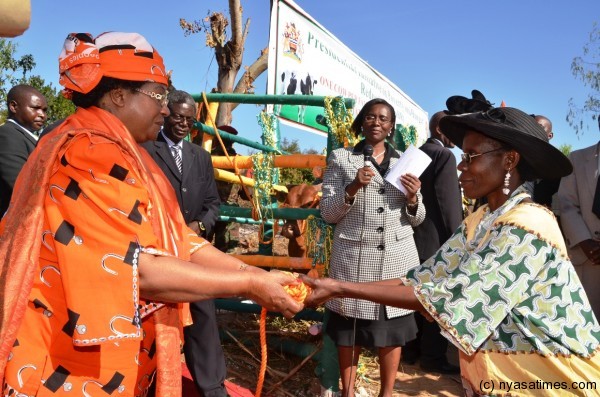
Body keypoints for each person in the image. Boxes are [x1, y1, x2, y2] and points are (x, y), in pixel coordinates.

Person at [0, 31, 302, 397]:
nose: (165, 108)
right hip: (66, 365)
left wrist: (257, 273)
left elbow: (180, 240)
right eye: (157, 95)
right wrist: (251, 286)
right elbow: (137, 268)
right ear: (118, 95)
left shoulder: (124, 151)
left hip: (108, 352)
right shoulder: (88, 153)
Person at [304, 106, 600, 396]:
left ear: (509, 160)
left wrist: (339, 287)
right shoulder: (480, 219)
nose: (461, 166)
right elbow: (419, 281)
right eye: (462, 156)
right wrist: (335, 289)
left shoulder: (528, 224)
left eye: (471, 157)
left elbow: (442, 297)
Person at [320, 98, 425, 397]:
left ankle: (386, 393)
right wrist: (352, 187)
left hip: (396, 259)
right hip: (354, 260)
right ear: (361, 123)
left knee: (392, 332)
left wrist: (413, 197)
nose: (376, 122)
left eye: (383, 118)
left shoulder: (406, 161)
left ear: (391, 126)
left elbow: (418, 218)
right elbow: (328, 213)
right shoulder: (341, 158)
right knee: (347, 332)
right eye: (370, 117)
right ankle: (348, 393)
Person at [140, 90, 226, 397]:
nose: (183, 124)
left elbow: (213, 203)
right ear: (165, 113)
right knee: (157, 323)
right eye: (178, 117)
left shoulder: (200, 157)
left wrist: (198, 226)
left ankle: (212, 388)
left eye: (190, 119)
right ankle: (151, 384)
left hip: (192, 251)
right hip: (158, 253)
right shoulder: (145, 149)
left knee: (203, 321)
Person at [402, 111, 462, 374]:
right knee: (436, 299)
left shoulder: (412, 154)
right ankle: (432, 358)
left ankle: (409, 351)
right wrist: (458, 239)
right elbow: (448, 203)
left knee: (412, 296)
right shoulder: (444, 156)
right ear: (440, 129)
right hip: (437, 241)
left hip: (409, 237)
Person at [558, 137, 600, 316]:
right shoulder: (577, 158)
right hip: (586, 257)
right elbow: (566, 204)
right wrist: (584, 240)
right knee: (585, 322)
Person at [0, 84, 47, 216]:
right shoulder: (7, 135)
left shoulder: (26, 137)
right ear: (13, 107)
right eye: (36, 108)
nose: (42, 115)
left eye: (44, 110)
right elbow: (22, 186)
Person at [210, 125, 244, 252]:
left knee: (201, 245)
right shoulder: (241, 161)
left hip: (208, 207)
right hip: (231, 210)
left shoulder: (206, 156)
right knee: (230, 250)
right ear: (233, 141)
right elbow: (246, 194)